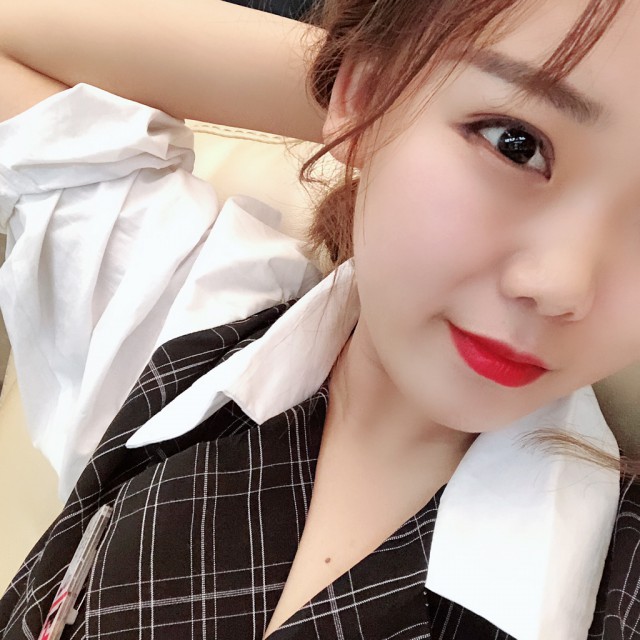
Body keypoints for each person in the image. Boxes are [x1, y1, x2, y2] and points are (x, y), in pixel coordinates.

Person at [0, 0, 638, 638]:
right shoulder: (192, 321)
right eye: (515, 143)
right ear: (368, 91)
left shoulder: (615, 589)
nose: (561, 287)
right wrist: (373, 96)